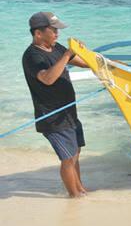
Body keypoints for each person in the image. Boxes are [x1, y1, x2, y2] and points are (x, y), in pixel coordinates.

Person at [22, 11, 90, 198]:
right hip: (52, 117)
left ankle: (81, 189)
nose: (57, 34)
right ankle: (74, 198)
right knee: (67, 159)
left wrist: (109, 64)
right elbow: (48, 78)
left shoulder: (57, 48)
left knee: (75, 153)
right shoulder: (32, 56)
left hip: (69, 113)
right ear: (38, 33)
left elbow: (85, 63)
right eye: (53, 31)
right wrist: (67, 55)